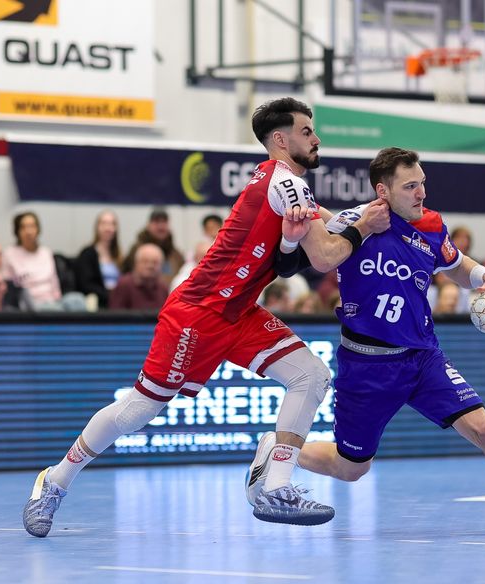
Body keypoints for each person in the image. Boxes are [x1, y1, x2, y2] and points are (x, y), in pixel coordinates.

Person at [21, 97, 390, 537]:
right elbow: (327, 254)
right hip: (199, 313)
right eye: (307, 131)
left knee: (311, 375)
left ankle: (275, 485)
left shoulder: (289, 185)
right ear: (280, 139)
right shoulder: (287, 183)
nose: (316, 139)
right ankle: (55, 480)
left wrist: (361, 218)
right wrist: (364, 225)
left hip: (240, 312)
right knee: (139, 409)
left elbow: (311, 242)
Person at [252, 147, 485, 533]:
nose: (421, 192)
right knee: (351, 468)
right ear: (383, 191)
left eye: (422, 183)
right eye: (410, 186)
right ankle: (280, 449)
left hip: (423, 358)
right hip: (366, 366)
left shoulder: (431, 225)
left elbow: (455, 264)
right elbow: (312, 238)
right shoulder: (355, 223)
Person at [2, 211, 84, 311]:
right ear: (17, 231)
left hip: (51, 300)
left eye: (32, 226)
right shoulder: (9, 254)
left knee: (77, 300)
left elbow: (54, 281)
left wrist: (57, 299)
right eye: (23, 227)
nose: (28, 231)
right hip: (28, 302)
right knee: (52, 309)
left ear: (38, 229)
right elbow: (9, 285)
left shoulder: (46, 252)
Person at [121, 208, 186, 287]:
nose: (161, 226)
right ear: (148, 225)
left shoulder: (176, 255)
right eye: (156, 222)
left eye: (164, 222)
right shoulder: (137, 250)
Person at [74, 210, 122, 309]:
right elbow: (86, 284)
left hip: (118, 302)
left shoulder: (120, 255)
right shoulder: (87, 253)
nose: (108, 228)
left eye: (112, 224)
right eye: (104, 223)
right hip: (98, 303)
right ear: (97, 227)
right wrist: (109, 295)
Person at [109, 243, 169, 310]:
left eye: (155, 262)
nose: (150, 266)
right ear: (136, 263)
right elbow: (115, 313)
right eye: (145, 262)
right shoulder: (124, 284)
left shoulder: (163, 288)